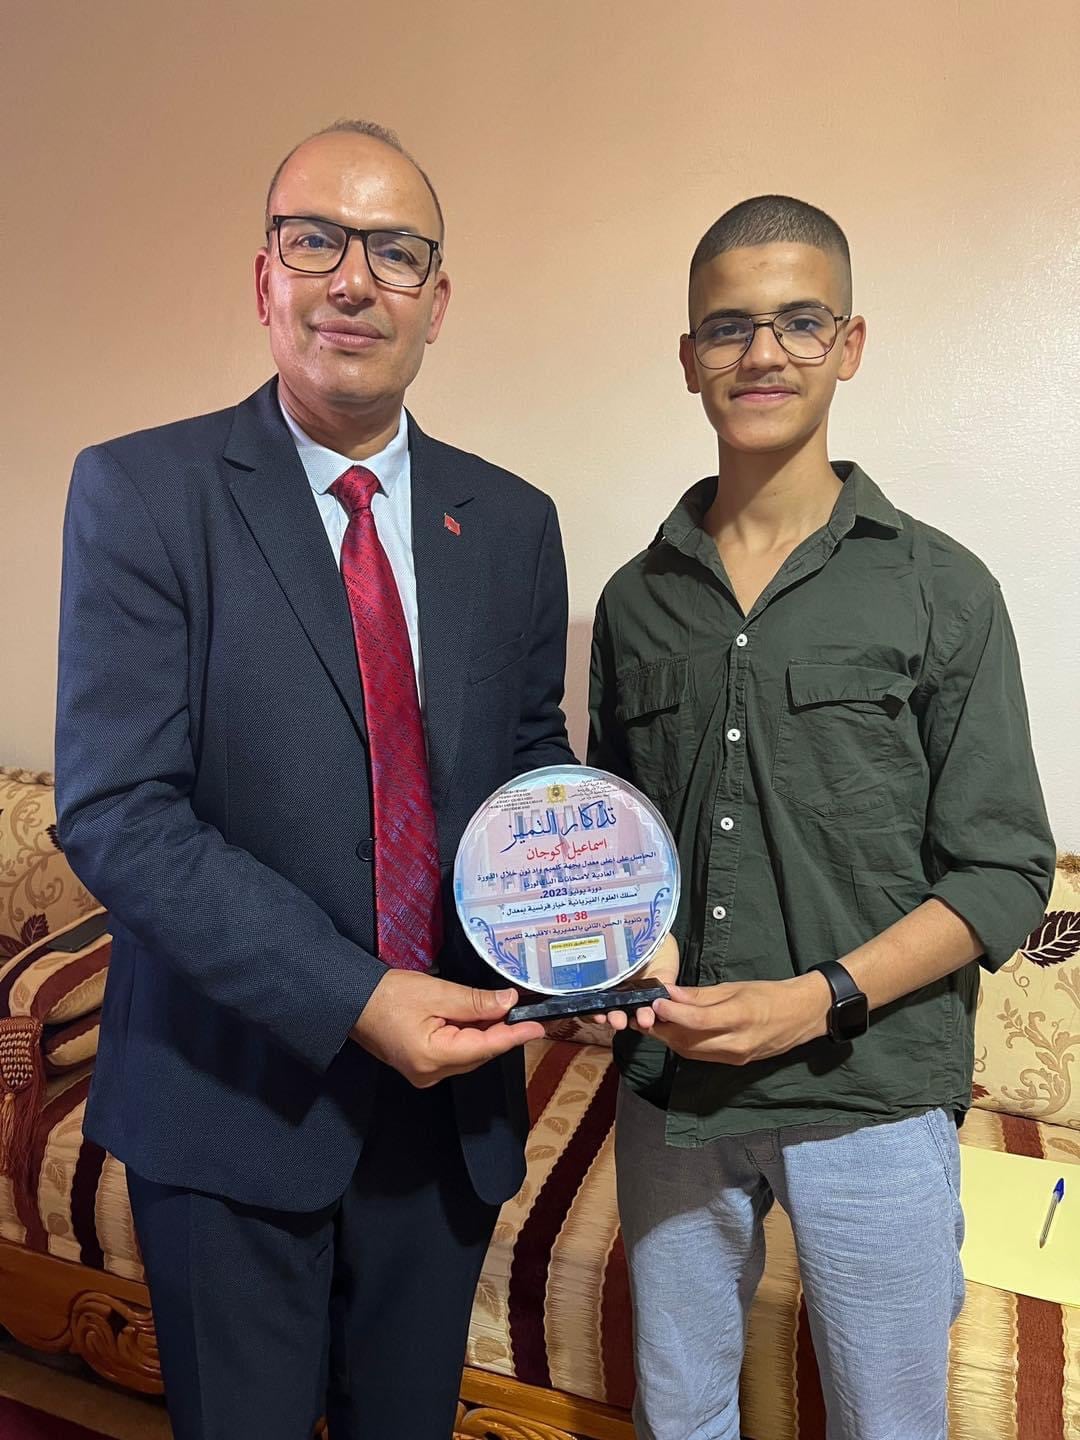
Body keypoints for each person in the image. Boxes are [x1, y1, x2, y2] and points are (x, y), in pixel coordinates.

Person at [55, 120, 572, 1440]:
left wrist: (604, 919)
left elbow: (527, 759)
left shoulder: (511, 522)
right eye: (315, 240)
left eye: (394, 252)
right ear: (265, 279)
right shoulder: (141, 491)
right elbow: (118, 811)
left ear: (436, 302)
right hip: (230, 1101)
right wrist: (355, 997)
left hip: (447, 1109)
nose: (353, 279)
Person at [588, 195, 1054, 1440]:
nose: (763, 353)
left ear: (850, 344)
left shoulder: (943, 588)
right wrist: (624, 946)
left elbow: (1004, 869)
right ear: (687, 355)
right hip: (673, 1092)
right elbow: (614, 841)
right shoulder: (634, 602)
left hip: (871, 1092)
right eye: (728, 326)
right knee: (678, 1416)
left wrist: (818, 998)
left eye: (800, 321)